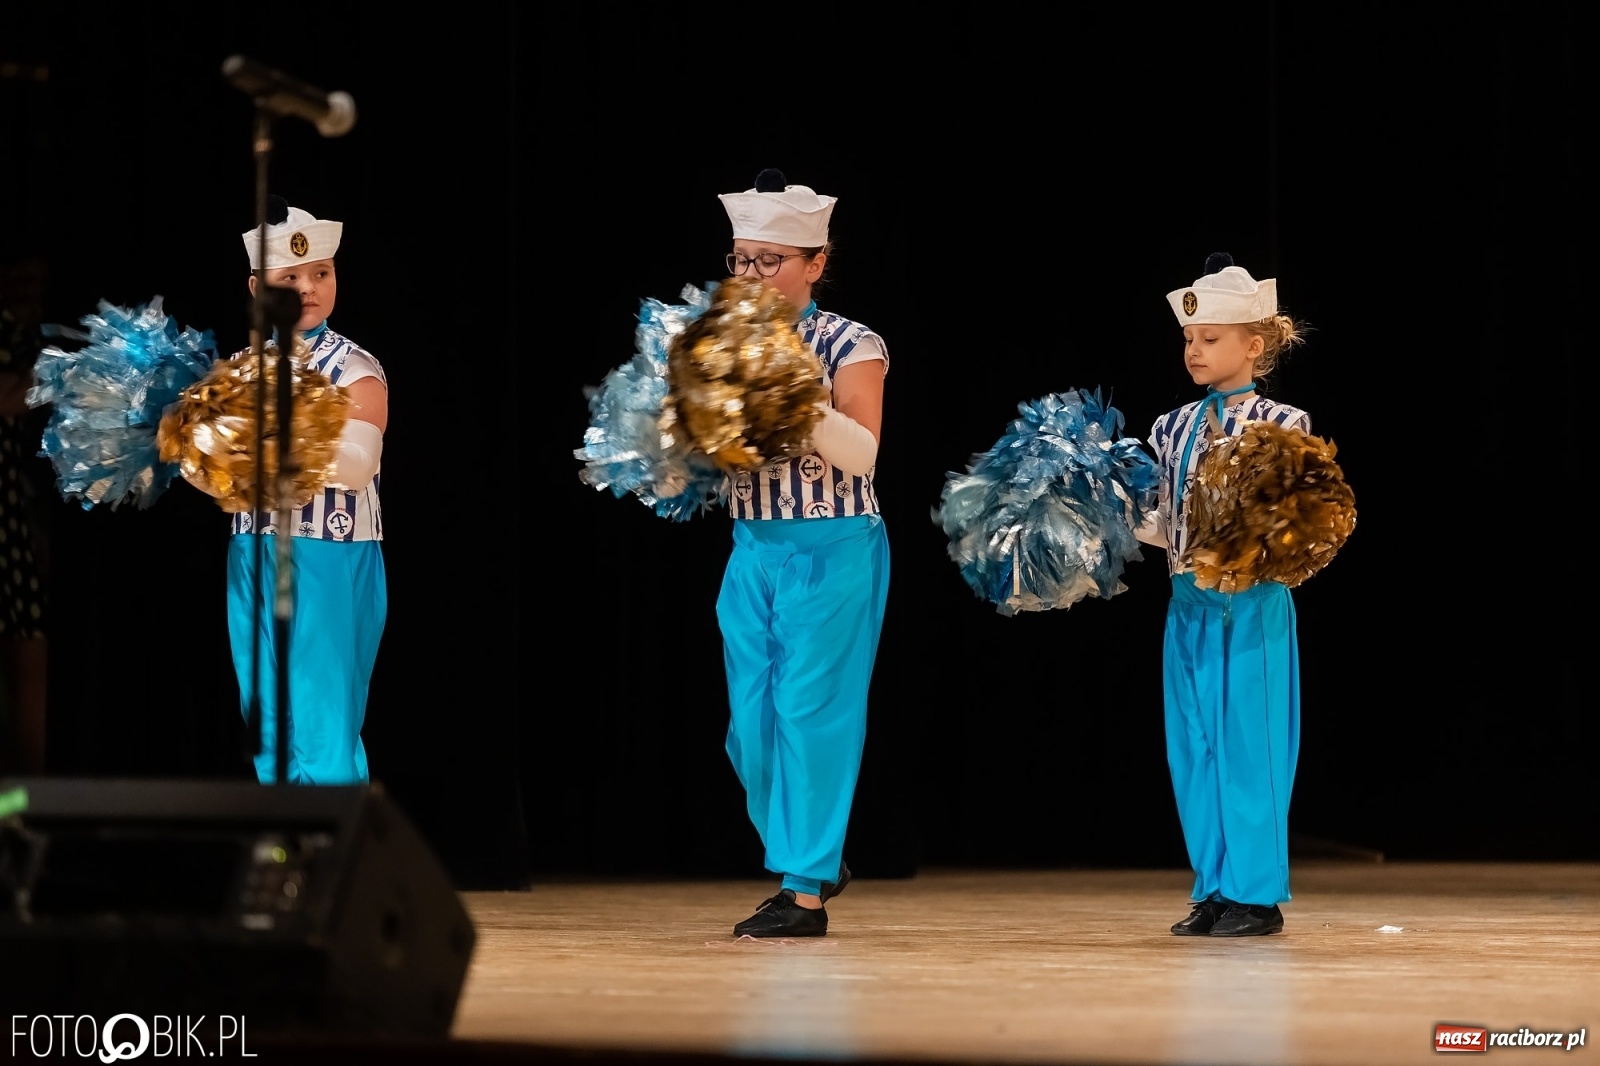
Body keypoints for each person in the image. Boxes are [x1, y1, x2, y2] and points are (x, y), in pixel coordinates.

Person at [714, 169, 890, 938]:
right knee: (750, 729)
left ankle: (803, 891)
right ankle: (813, 854)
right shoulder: (719, 343)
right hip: (752, 548)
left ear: (816, 263)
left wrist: (790, 392)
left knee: (810, 716)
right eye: (741, 259)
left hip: (834, 546)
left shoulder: (851, 343)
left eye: (770, 260)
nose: (752, 274)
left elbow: (862, 453)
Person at [1136, 252, 1310, 937]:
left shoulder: (1284, 423)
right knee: (1195, 747)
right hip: (1187, 603)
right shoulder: (1170, 426)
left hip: (1251, 602)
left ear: (1254, 345)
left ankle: (1255, 895)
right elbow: (1164, 524)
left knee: (1249, 747)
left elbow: (1293, 520)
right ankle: (1213, 887)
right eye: (1188, 339)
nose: (1195, 351)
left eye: (1210, 338)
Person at [229, 196, 388, 785]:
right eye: (290, 277)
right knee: (268, 726)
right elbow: (212, 471)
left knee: (323, 727)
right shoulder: (240, 369)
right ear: (257, 288)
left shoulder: (356, 369)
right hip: (251, 550)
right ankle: (284, 835)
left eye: (321, 273)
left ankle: (336, 839)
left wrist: (261, 438)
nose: (309, 288)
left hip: (327, 552)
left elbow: (356, 467)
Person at [0, 251, 53, 776]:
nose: (27, 289)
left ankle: (29, 796)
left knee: (29, 641)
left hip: (12, 509)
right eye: (18, 277)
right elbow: (10, 400)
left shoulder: (25, 336)